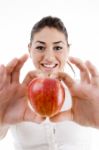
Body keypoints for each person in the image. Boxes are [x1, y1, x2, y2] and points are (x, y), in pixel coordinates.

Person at [0, 16, 99, 150]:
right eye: (40, 47)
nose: (49, 57)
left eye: (58, 47)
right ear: (30, 49)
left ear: (68, 50)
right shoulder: (16, 96)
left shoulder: (86, 95)